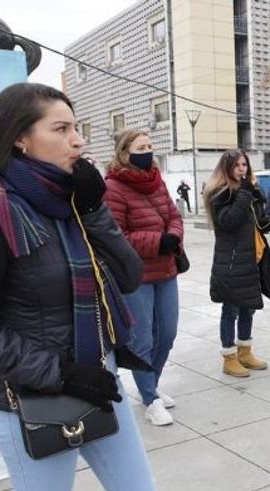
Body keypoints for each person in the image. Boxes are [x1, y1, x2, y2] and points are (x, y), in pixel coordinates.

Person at [0, 83, 158, 491]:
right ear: (20, 138)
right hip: (35, 399)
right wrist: (60, 372)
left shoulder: (71, 203)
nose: (78, 140)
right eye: (61, 129)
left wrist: (93, 207)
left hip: (100, 382)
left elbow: (130, 274)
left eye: (76, 128)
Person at [103, 129, 183, 426]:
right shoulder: (112, 187)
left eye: (150, 145)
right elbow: (116, 235)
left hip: (166, 269)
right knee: (143, 341)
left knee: (168, 333)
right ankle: (150, 398)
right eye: (141, 146)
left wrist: (172, 237)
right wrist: (156, 241)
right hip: (136, 275)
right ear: (125, 152)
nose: (147, 151)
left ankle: (153, 384)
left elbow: (174, 216)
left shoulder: (156, 179)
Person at [204, 150, 270, 376]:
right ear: (226, 168)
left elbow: (262, 226)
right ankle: (229, 357)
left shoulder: (247, 191)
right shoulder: (220, 193)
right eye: (237, 165)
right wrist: (245, 195)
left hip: (251, 258)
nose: (242, 169)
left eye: (244, 164)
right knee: (231, 309)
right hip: (232, 262)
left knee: (249, 307)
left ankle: (245, 351)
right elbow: (227, 221)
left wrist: (261, 206)